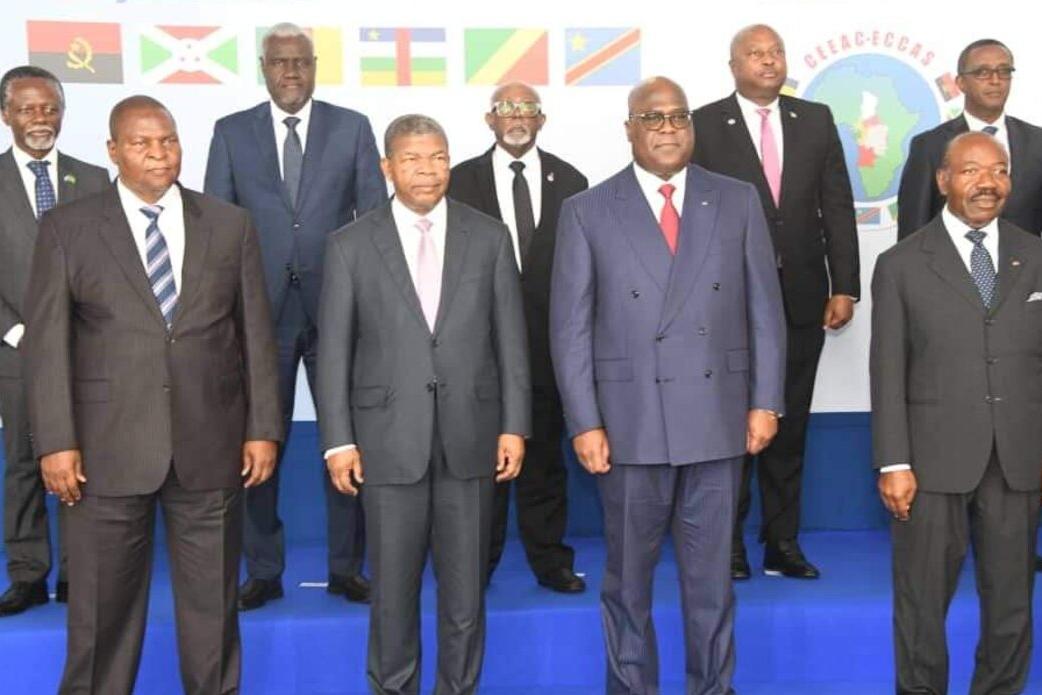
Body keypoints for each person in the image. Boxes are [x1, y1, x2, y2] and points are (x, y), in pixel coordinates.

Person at [22, 95, 282, 694]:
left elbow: (256, 335)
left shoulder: (229, 224)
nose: (159, 154)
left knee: (213, 615)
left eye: (168, 141)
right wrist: (55, 441)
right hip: (104, 452)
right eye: (142, 144)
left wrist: (263, 427)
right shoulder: (68, 228)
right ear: (113, 152)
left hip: (211, 446)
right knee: (100, 618)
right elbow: (47, 345)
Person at [551, 76, 786, 694]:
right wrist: (585, 421)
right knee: (628, 582)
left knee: (711, 585)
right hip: (629, 425)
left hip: (717, 418)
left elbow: (765, 308)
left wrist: (766, 401)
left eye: (678, 117)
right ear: (629, 128)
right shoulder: (587, 209)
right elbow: (570, 329)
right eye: (652, 118)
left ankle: (713, 687)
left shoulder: (736, 199)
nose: (667, 129)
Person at [316, 114, 530, 694]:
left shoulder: (489, 236)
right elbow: (333, 352)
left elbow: (511, 341)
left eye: (438, 157)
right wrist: (338, 441)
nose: (427, 170)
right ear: (388, 167)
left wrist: (514, 426)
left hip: (472, 438)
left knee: (465, 597)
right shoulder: (350, 244)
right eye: (412, 159)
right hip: (386, 443)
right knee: (392, 594)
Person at [205, 22, 387, 609]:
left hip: (339, 311)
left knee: (345, 438)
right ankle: (263, 570)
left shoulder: (352, 127)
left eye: (301, 61)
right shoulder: (231, 132)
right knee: (260, 441)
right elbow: (215, 229)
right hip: (259, 316)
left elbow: (374, 221)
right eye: (280, 62)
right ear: (263, 68)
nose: (291, 71)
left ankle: (347, 567)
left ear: (314, 67)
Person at [872, 131, 1041, 695]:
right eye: (971, 171)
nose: (987, 183)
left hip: (1018, 459)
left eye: (999, 171)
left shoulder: (1037, 255)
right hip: (929, 462)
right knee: (921, 604)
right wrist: (893, 462)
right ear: (943, 180)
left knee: (1012, 603)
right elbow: (887, 370)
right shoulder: (900, 264)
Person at [692, 24, 859, 580]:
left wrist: (844, 284)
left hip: (802, 298)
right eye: (756, 54)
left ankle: (781, 542)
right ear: (733, 65)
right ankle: (728, 545)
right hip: (727, 304)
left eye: (776, 52)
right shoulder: (704, 124)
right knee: (730, 425)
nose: (768, 61)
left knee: (789, 425)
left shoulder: (815, 119)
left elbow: (836, 203)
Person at [448, 82, 588, 593]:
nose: (517, 116)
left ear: (541, 119)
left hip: (549, 349)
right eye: (507, 108)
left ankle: (550, 561)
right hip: (478, 353)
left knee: (545, 461)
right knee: (480, 465)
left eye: (528, 108)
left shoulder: (571, 180)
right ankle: (474, 565)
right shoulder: (459, 181)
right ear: (490, 119)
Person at [0, 65, 109, 616]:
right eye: (27, 109)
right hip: (16, 350)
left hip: (85, 352)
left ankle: (76, 572)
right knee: (24, 461)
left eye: (49, 108)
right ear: (6, 115)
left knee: (83, 463)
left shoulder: (93, 180)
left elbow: (112, 266)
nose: (40, 118)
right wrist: (19, 332)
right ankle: (27, 573)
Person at [897, 39, 1042, 239]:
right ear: (961, 83)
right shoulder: (929, 146)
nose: (995, 80)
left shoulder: (1037, 142)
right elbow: (913, 230)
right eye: (983, 72)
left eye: (1004, 71)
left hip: (1026, 259)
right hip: (949, 259)